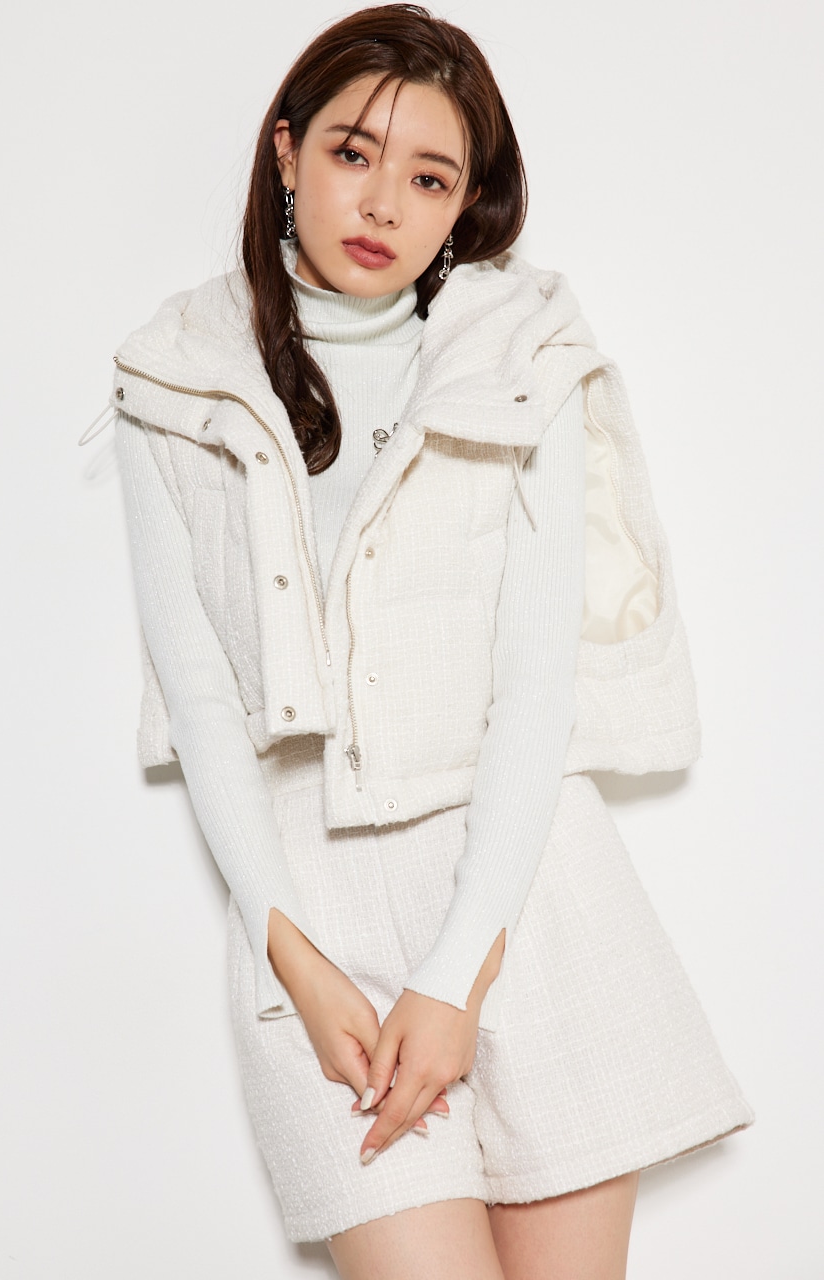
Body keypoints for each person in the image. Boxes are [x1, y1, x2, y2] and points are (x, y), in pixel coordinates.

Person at [110, 5, 753, 1276]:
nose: (381, 203)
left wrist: (459, 973)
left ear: (464, 205)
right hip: (313, 922)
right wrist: (298, 965)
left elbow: (533, 687)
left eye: (428, 177)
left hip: (528, 900)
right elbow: (202, 701)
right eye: (352, 152)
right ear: (285, 153)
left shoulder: (521, 358)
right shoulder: (173, 377)